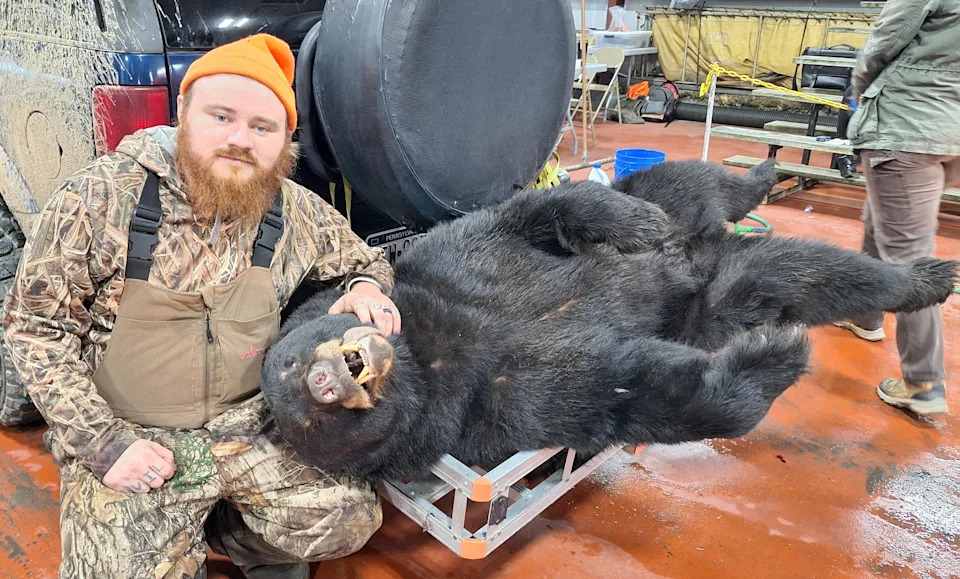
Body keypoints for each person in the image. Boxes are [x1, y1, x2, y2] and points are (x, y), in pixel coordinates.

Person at [2, 33, 401, 578]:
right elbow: (34, 326)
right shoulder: (98, 199)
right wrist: (102, 443)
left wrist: (367, 287)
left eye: (262, 127)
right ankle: (175, 526)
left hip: (247, 425)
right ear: (184, 113)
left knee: (348, 518)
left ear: (285, 141)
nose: (240, 139)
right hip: (133, 432)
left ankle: (230, 532)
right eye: (221, 116)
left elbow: (364, 260)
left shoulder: (293, 209)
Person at [840, 0, 960, 415]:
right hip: (949, 128)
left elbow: (885, 39)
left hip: (908, 123)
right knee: (881, 223)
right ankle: (865, 315)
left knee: (910, 257)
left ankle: (923, 383)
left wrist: (860, 87)